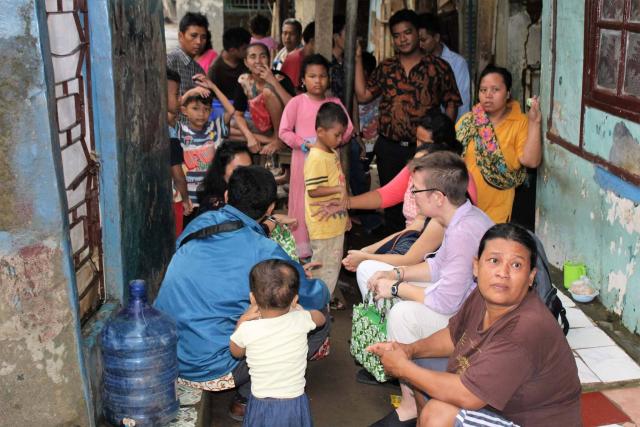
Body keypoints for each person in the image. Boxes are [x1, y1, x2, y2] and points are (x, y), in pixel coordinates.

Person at [154, 166, 330, 422]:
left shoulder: (198, 224)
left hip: (165, 354)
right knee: (314, 315)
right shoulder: (266, 252)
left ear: (226, 196)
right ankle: (248, 397)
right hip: (211, 366)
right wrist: (305, 277)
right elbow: (313, 296)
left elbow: (232, 243)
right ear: (270, 208)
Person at [368, 223, 581, 427]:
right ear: (476, 267)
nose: (502, 273)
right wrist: (409, 350)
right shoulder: (484, 295)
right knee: (423, 365)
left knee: (439, 413)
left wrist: (403, 368)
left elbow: (468, 396)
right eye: (494, 261)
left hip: (526, 421)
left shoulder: (526, 329)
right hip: (498, 403)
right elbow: (453, 335)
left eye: (516, 265)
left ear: (530, 277)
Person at [364, 151, 494, 426]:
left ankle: (414, 401)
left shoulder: (463, 231)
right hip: (459, 298)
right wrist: (396, 273)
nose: (411, 195)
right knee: (371, 272)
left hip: (472, 316)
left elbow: (446, 302)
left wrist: (397, 288)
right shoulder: (457, 218)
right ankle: (402, 373)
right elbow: (436, 267)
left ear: (438, 197)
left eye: (416, 190)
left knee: (402, 314)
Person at [355, 8, 462, 231]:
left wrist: (443, 143)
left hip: (424, 150)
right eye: (396, 35)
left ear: (417, 33)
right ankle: (396, 248)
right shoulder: (386, 67)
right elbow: (363, 96)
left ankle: (423, 252)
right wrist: (356, 58)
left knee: (426, 203)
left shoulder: (438, 67)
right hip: (389, 147)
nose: (402, 39)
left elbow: (452, 102)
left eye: (407, 33)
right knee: (392, 205)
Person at [230, 259, 326, 427]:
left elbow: (236, 352)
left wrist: (241, 322)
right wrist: (299, 310)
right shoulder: (301, 318)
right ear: (295, 299)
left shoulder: (248, 328)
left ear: (252, 298)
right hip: (294, 403)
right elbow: (321, 318)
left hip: (261, 403)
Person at [279, 54, 354, 259]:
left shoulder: (334, 103)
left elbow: (349, 129)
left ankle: (327, 249)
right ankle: (303, 251)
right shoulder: (296, 102)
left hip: (329, 163)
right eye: (312, 76)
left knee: (329, 199)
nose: (318, 81)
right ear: (303, 79)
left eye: (322, 76)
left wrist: (334, 139)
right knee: (303, 203)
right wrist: (304, 143)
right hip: (303, 161)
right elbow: (284, 131)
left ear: (328, 78)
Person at [456, 65, 542, 223]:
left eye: (495, 90)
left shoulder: (520, 122)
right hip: (463, 206)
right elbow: (451, 159)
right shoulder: (467, 121)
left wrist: (534, 122)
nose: (488, 95)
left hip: (498, 211)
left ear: (508, 93)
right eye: (483, 90)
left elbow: (531, 161)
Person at [304, 102, 350, 309]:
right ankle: (318, 304)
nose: (340, 140)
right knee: (324, 267)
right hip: (323, 226)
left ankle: (324, 299)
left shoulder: (331, 152)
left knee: (331, 265)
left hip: (335, 222)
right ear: (320, 132)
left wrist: (345, 213)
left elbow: (339, 181)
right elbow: (313, 190)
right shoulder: (316, 157)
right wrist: (337, 191)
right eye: (337, 135)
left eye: (342, 135)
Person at [178, 75, 235, 223]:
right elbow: (170, 111)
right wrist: (189, 94)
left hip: (211, 197)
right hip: (188, 199)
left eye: (206, 109)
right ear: (184, 110)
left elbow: (231, 110)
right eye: (195, 108)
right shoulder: (179, 130)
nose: (201, 113)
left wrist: (213, 87)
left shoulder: (214, 129)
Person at [233, 43, 296, 155]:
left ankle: (279, 139)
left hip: (284, 128)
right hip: (262, 129)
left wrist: (273, 82)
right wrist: (249, 137)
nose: (258, 61)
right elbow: (238, 115)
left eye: (263, 56)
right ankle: (271, 140)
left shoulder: (280, 78)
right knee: (227, 128)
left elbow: (295, 108)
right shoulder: (244, 80)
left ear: (269, 60)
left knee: (267, 92)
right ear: (246, 62)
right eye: (253, 56)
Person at [418, 13, 470, 121]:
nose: (420, 45)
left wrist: (455, 134)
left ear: (436, 37)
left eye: (423, 40)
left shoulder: (457, 63)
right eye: (417, 41)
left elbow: (463, 104)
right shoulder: (417, 61)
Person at [167, 69, 192, 237]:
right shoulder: (169, 135)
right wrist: (185, 199)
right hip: (174, 199)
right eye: (176, 95)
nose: (180, 99)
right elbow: (178, 174)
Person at [197, 140, 252, 212]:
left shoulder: (253, 190)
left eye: (250, 168)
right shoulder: (213, 204)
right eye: (238, 170)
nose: (246, 174)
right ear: (222, 170)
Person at [167, 12, 208, 97]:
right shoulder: (169, 62)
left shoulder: (199, 70)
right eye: (193, 36)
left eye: (203, 37)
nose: (199, 42)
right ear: (181, 36)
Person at [208, 27, 251, 99]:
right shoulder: (215, 70)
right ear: (232, 50)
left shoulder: (245, 61)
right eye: (245, 48)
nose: (249, 51)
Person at [281, 21, 315, 90]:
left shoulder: (309, 58)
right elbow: (292, 90)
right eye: (285, 33)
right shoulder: (295, 59)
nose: (287, 37)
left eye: (291, 34)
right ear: (312, 41)